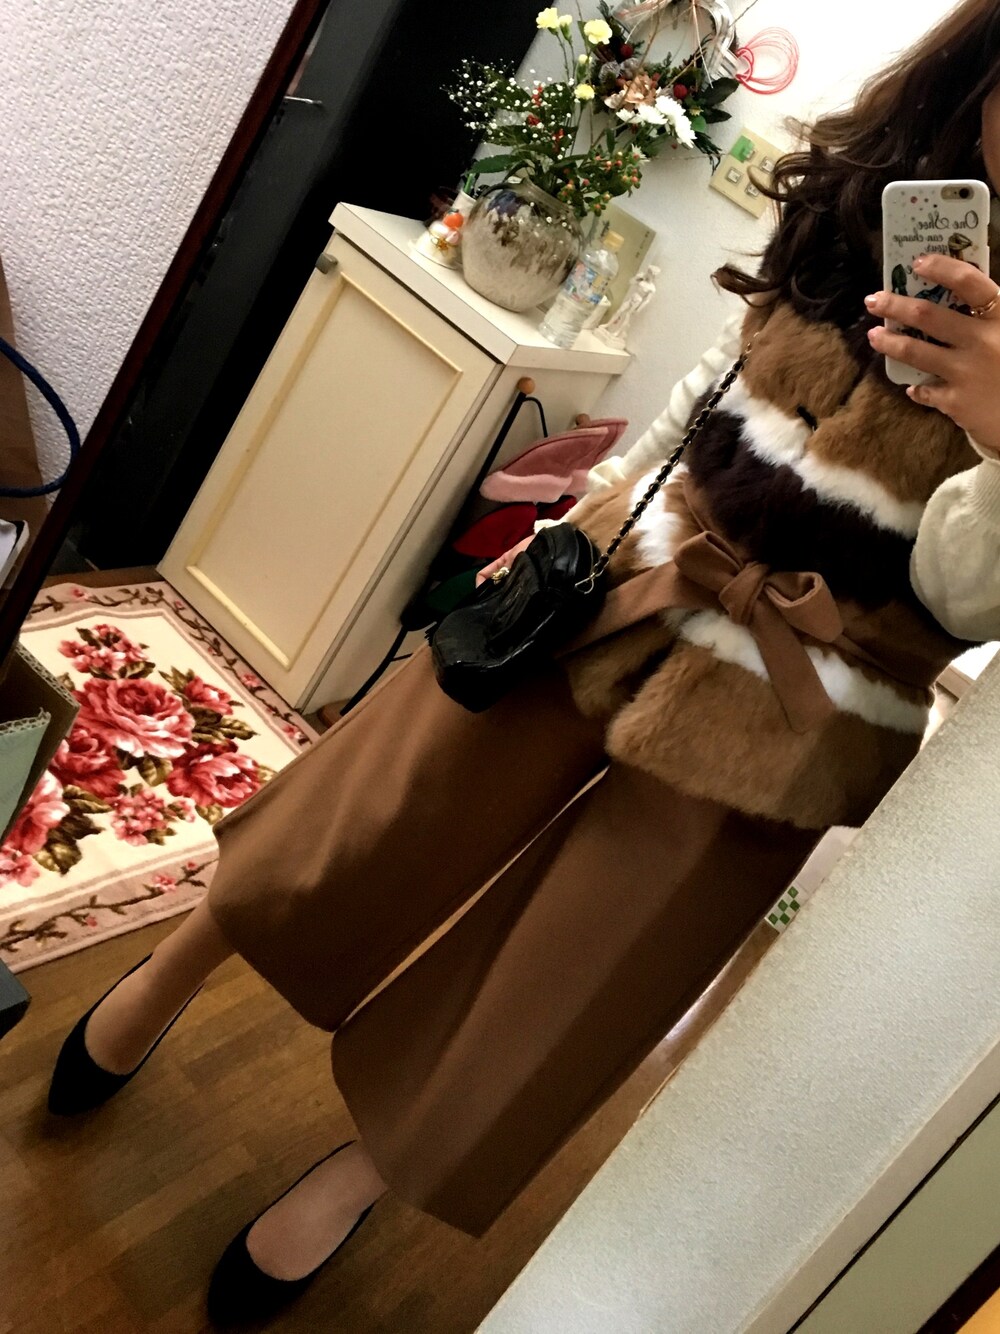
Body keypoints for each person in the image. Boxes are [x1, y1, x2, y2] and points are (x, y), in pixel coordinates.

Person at [46, 1, 1000, 1324]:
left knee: (577, 974)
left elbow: (969, 599)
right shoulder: (871, 198)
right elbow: (715, 388)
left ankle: (360, 1176)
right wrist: (579, 515)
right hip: (628, 580)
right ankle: (172, 969)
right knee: (373, 805)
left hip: (801, 713)